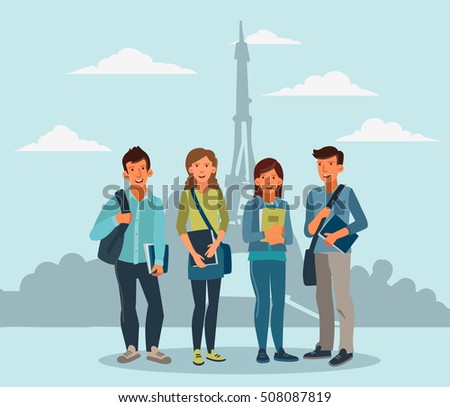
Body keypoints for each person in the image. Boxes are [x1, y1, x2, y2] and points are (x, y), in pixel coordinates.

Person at [90, 146, 171, 364]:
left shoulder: (155, 203)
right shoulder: (117, 201)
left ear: (149, 172)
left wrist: (160, 261)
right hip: (124, 261)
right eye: (132, 169)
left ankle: (153, 348)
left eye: (142, 168)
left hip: (147, 261)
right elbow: (94, 233)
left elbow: (160, 235)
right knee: (128, 305)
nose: (138, 173)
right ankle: (131, 348)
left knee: (156, 305)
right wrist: (117, 219)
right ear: (126, 174)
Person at [303, 146, 368, 367]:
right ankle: (325, 344)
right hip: (319, 251)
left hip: (339, 252)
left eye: (329, 164)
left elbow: (362, 222)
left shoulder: (347, 193)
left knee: (341, 297)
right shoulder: (313, 195)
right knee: (322, 299)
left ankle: (346, 347)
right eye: (320, 164)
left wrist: (340, 233)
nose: (324, 169)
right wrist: (318, 217)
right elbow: (307, 231)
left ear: (339, 167)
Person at [243, 158, 299, 363]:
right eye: (265, 177)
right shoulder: (251, 205)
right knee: (263, 302)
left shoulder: (283, 206)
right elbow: (246, 237)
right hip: (258, 258)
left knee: (279, 304)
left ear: (280, 181)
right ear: (257, 181)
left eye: (273, 177)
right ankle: (262, 349)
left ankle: (279, 349)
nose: (269, 180)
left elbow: (291, 238)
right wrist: (265, 234)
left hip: (278, 257)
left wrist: (280, 238)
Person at [176, 148, 229, 366]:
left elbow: (224, 221)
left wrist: (216, 244)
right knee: (199, 304)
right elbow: (180, 226)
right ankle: (197, 350)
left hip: (214, 251)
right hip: (195, 251)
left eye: (206, 165)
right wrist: (194, 254)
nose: (201, 169)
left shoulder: (217, 193)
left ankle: (211, 349)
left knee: (214, 303)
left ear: (213, 169)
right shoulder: (187, 195)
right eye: (197, 165)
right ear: (190, 169)